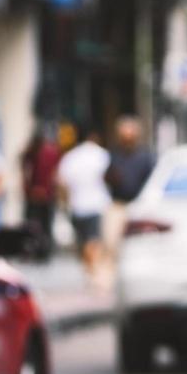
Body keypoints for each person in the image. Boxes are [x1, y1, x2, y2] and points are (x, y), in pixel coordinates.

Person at [57, 124, 112, 285]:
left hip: (77, 205)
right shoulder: (101, 155)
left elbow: (61, 182)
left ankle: (90, 269)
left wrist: (65, 202)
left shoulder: (70, 157)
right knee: (93, 241)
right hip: (97, 204)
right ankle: (92, 270)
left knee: (84, 241)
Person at [105, 115, 155, 259]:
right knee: (112, 245)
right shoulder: (114, 155)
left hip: (140, 205)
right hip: (118, 205)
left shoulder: (145, 156)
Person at [20, 126, 62, 262]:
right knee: (36, 225)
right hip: (37, 194)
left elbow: (54, 174)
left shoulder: (48, 152)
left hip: (44, 194)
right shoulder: (31, 152)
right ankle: (38, 251)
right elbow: (25, 172)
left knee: (43, 224)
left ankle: (43, 252)